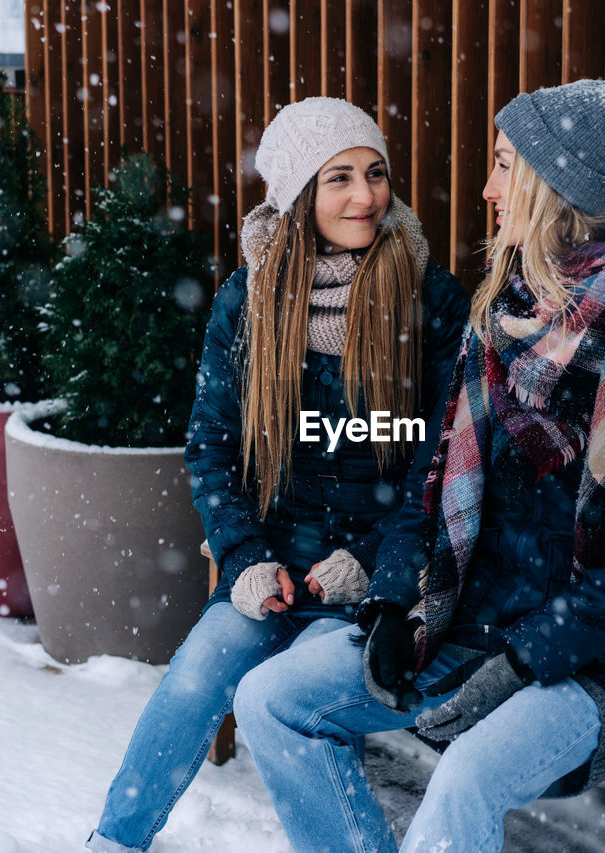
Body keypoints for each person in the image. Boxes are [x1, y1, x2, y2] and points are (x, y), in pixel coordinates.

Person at [234, 78, 605, 852]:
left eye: (504, 166)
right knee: (269, 697)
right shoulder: (508, 302)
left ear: (550, 185)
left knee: (466, 774)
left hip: (594, 661)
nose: (489, 188)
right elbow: (430, 483)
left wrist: (526, 657)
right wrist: (394, 604)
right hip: (466, 617)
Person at [86, 97, 468, 853]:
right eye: (340, 179)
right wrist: (245, 555)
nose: (366, 196)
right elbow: (211, 446)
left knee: (283, 700)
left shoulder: (428, 300)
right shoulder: (250, 298)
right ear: (298, 195)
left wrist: (372, 566)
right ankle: (113, 840)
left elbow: (444, 465)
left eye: (376, 173)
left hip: (380, 585)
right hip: (275, 571)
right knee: (197, 675)